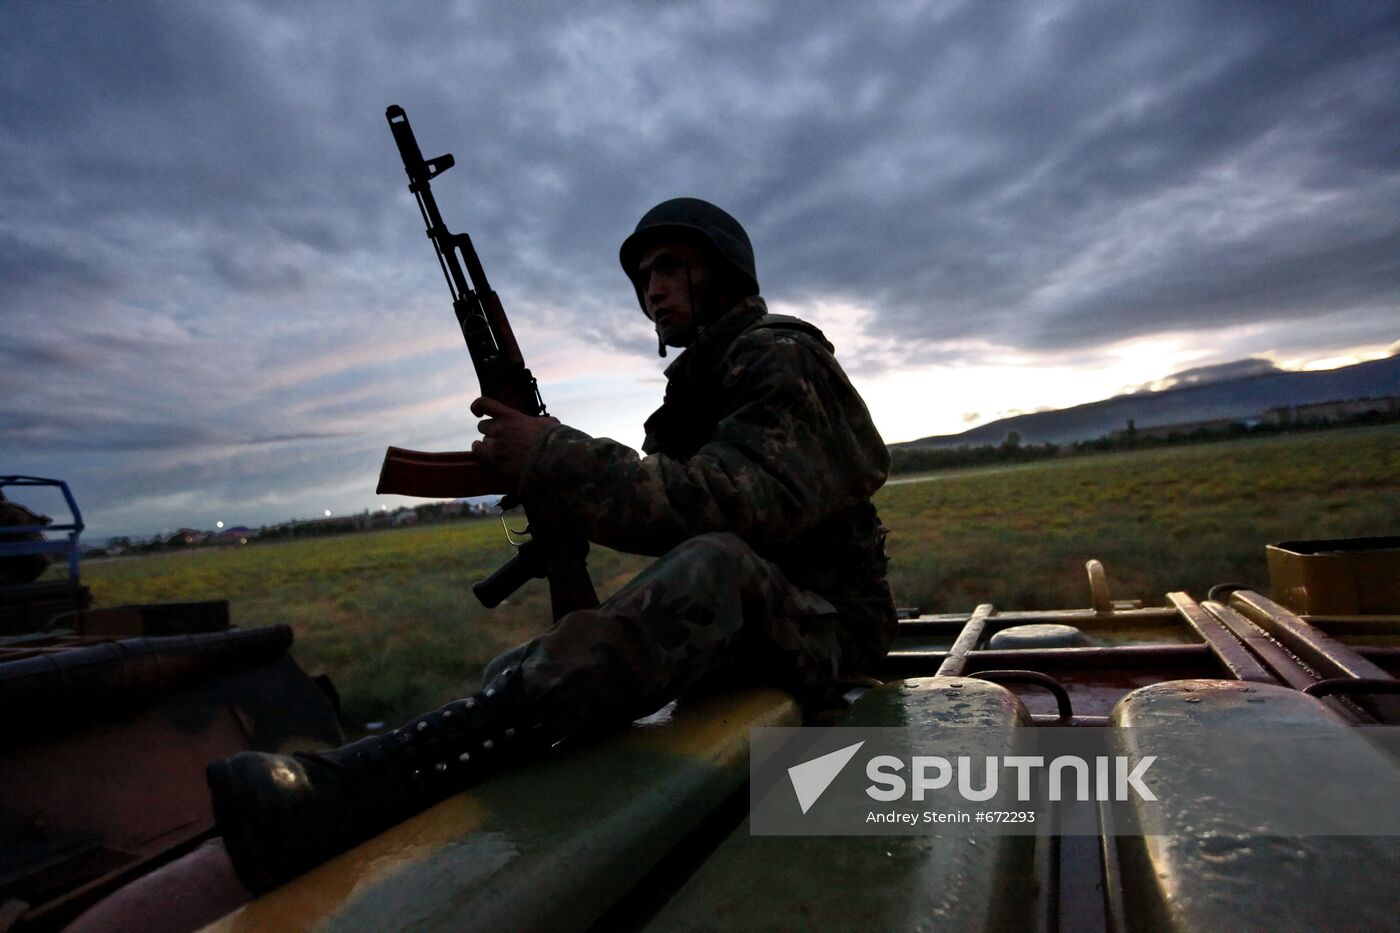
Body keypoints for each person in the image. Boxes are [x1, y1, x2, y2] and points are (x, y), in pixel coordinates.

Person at [206, 198, 897, 893]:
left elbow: (729, 506)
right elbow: (665, 503)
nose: (652, 290)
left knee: (714, 566)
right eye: (644, 277)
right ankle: (410, 794)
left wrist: (555, 455)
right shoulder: (697, 384)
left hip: (832, 632)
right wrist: (558, 484)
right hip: (760, 627)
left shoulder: (781, 355)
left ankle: (354, 785)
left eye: (670, 269)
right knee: (526, 667)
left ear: (721, 273)